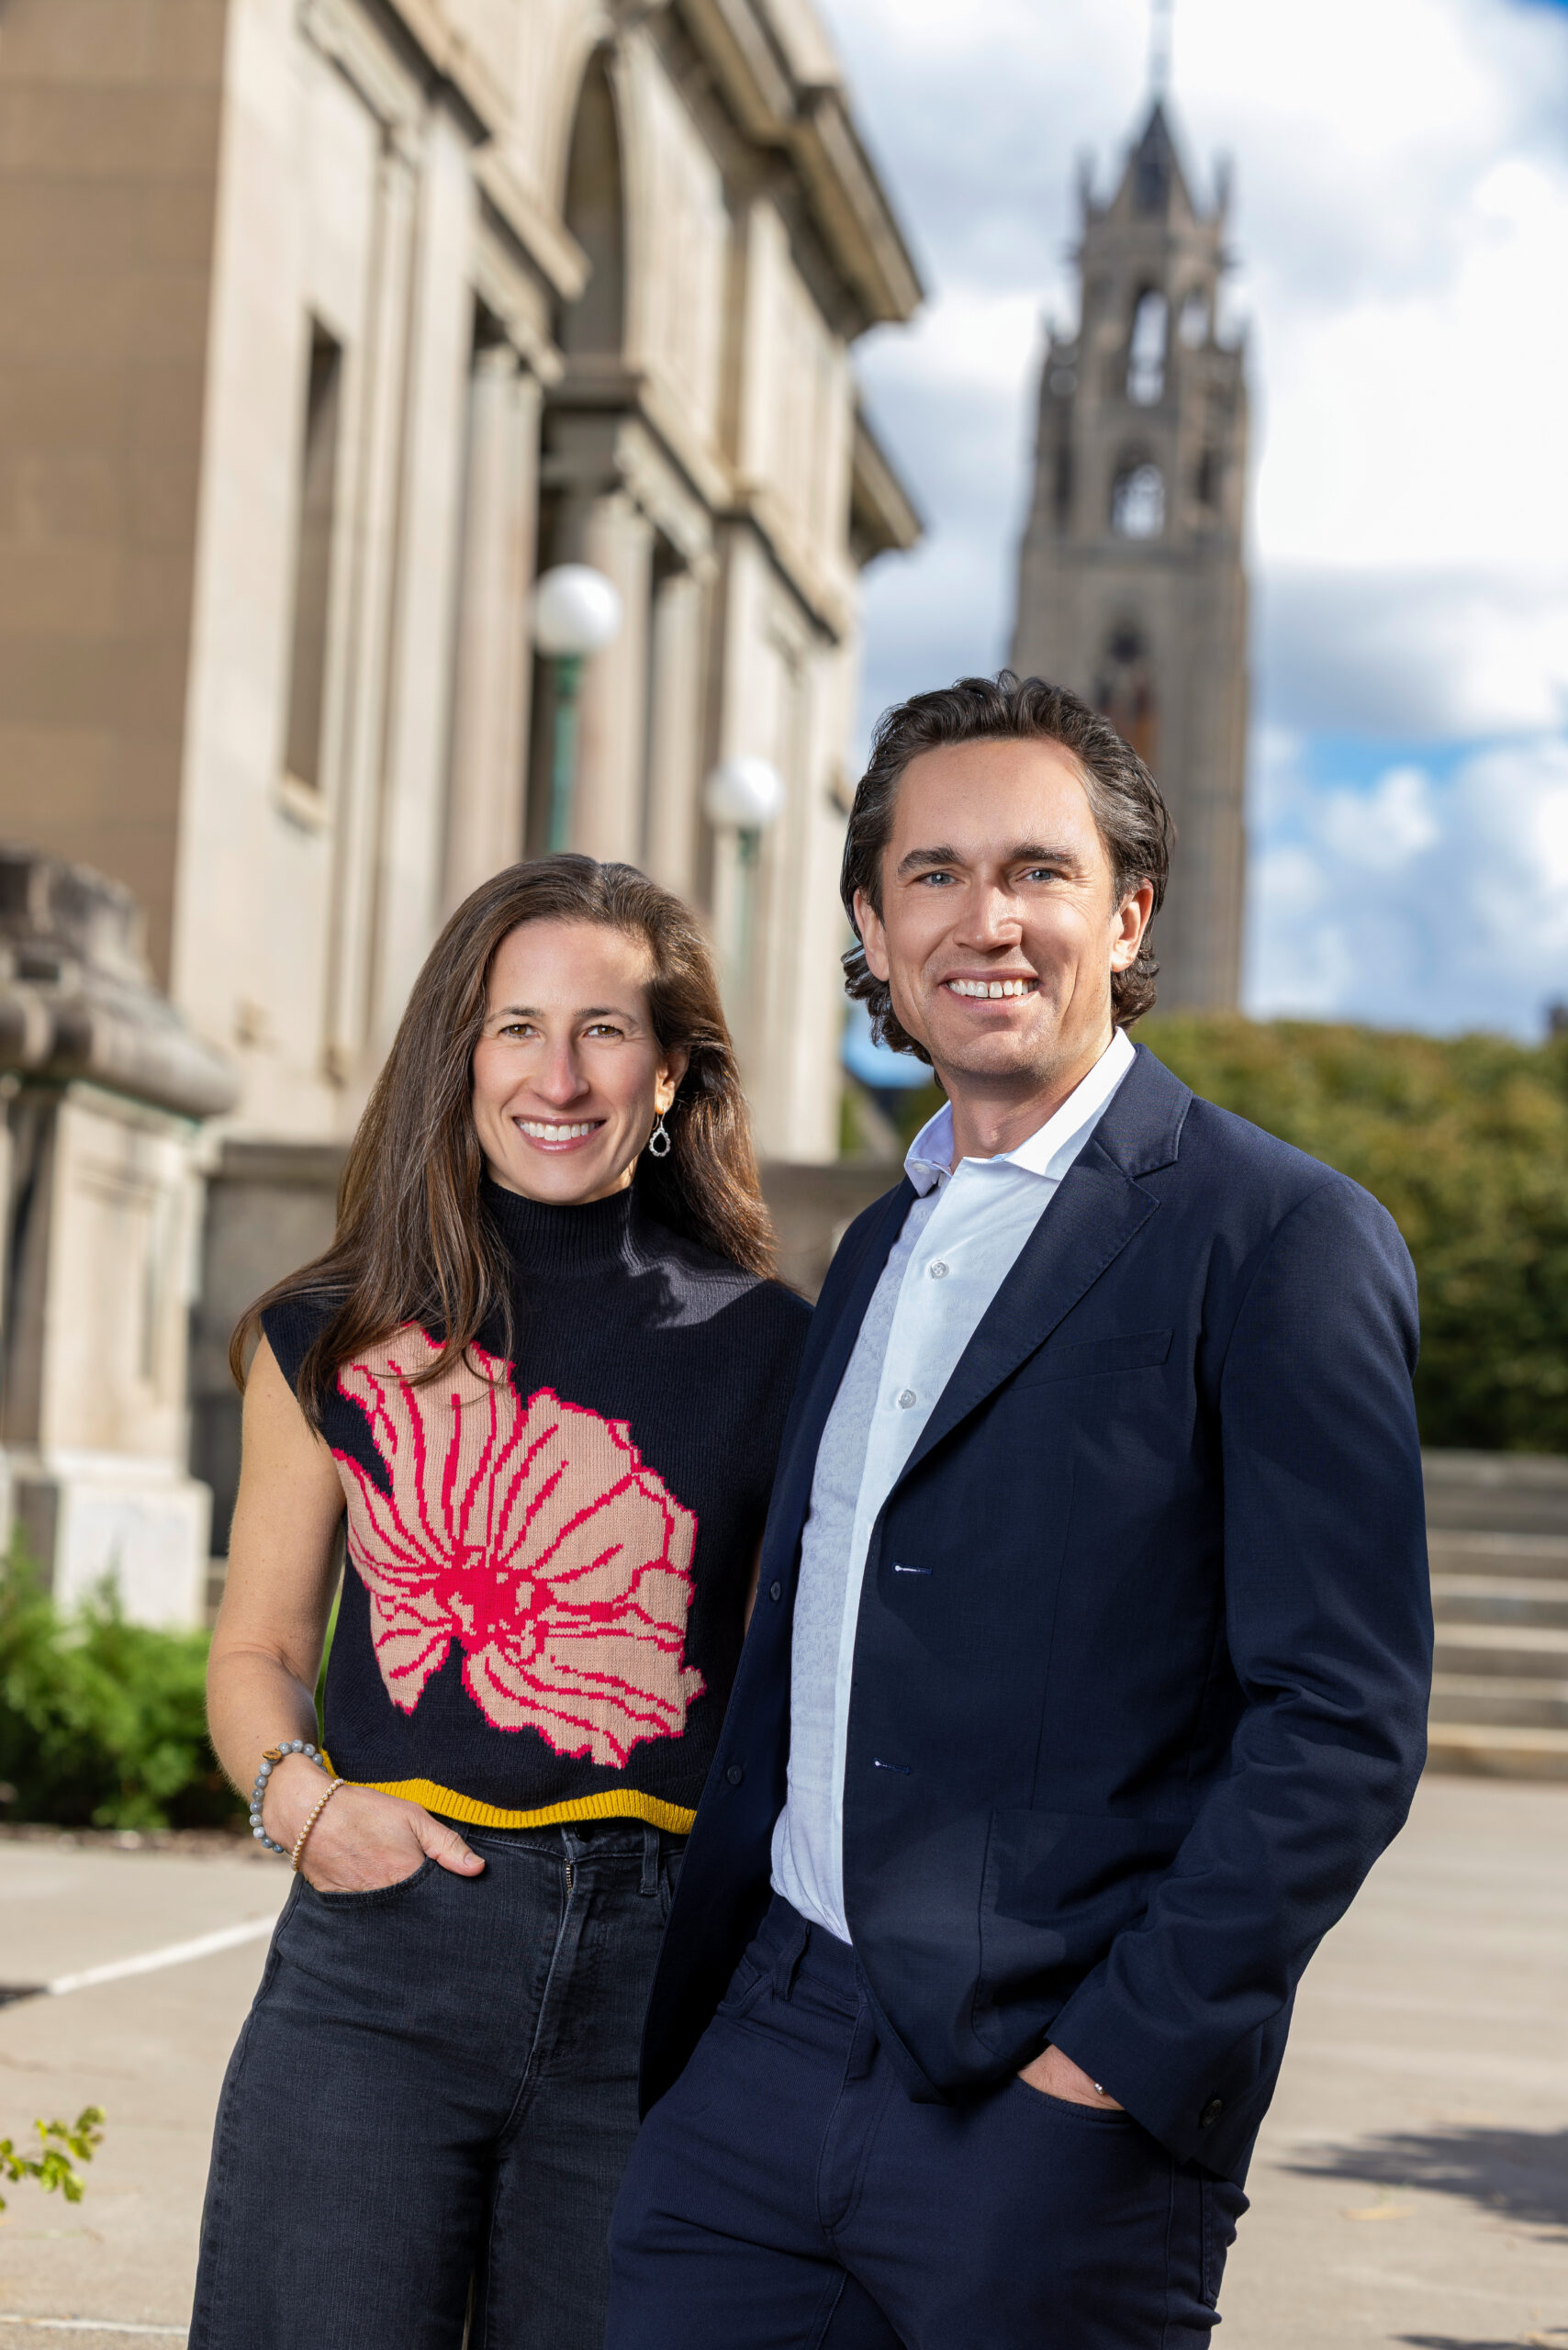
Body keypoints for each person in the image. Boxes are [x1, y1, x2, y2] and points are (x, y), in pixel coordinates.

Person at [607, 674, 1434, 2350]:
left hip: (1048, 2115)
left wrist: (1113, 2065)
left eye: (1040, 873)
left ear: (1128, 917)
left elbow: (1340, 1722)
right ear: (872, 921)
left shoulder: (1279, 1239)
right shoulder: (873, 1251)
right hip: (760, 2065)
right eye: (935, 874)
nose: (985, 919)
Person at [189, 856, 810, 2350]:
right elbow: (260, 1648)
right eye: (515, 1026)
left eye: (605, 1030)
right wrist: (306, 1807)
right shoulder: (329, 1334)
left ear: (671, 1073)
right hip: (381, 1959)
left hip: (659, 1988)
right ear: (456, 1059)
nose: (559, 1073)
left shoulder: (783, 1349)